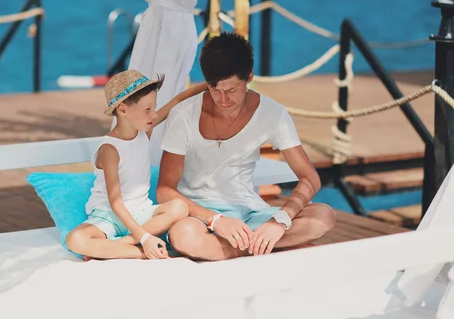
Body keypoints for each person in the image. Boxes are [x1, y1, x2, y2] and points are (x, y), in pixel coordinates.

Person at [156, 32, 336, 261]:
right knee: (184, 235)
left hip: (251, 213)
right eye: (214, 89)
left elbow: (310, 178)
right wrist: (216, 221)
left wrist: (280, 221)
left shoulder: (273, 114)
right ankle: (267, 248)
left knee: (323, 216)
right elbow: (165, 190)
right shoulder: (184, 115)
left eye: (231, 90)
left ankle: (231, 249)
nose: (222, 99)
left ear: (249, 77)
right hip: (200, 216)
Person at [66, 69, 208, 260]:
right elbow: (115, 202)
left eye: (154, 108)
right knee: (75, 239)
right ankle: (141, 251)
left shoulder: (143, 131)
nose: (154, 114)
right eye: (148, 109)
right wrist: (145, 237)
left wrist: (211, 84)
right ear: (122, 109)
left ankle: (120, 246)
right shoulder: (110, 150)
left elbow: (176, 101)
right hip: (109, 217)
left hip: (142, 214)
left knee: (180, 207)